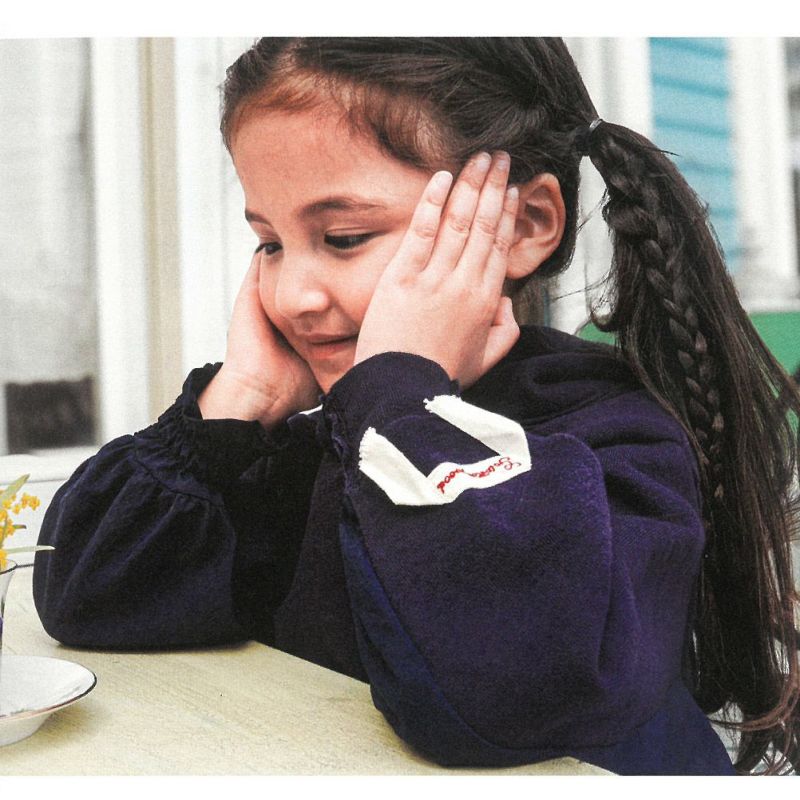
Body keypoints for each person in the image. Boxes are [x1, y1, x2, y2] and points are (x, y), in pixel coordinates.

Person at [32, 38, 800, 776]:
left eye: (342, 236)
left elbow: (515, 695)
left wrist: (406, 405)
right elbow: (89, 595)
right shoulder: (330, 445)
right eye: (270, 243)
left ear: (525, 225)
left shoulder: (616, 437)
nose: (292, 295)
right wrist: (242, 401)